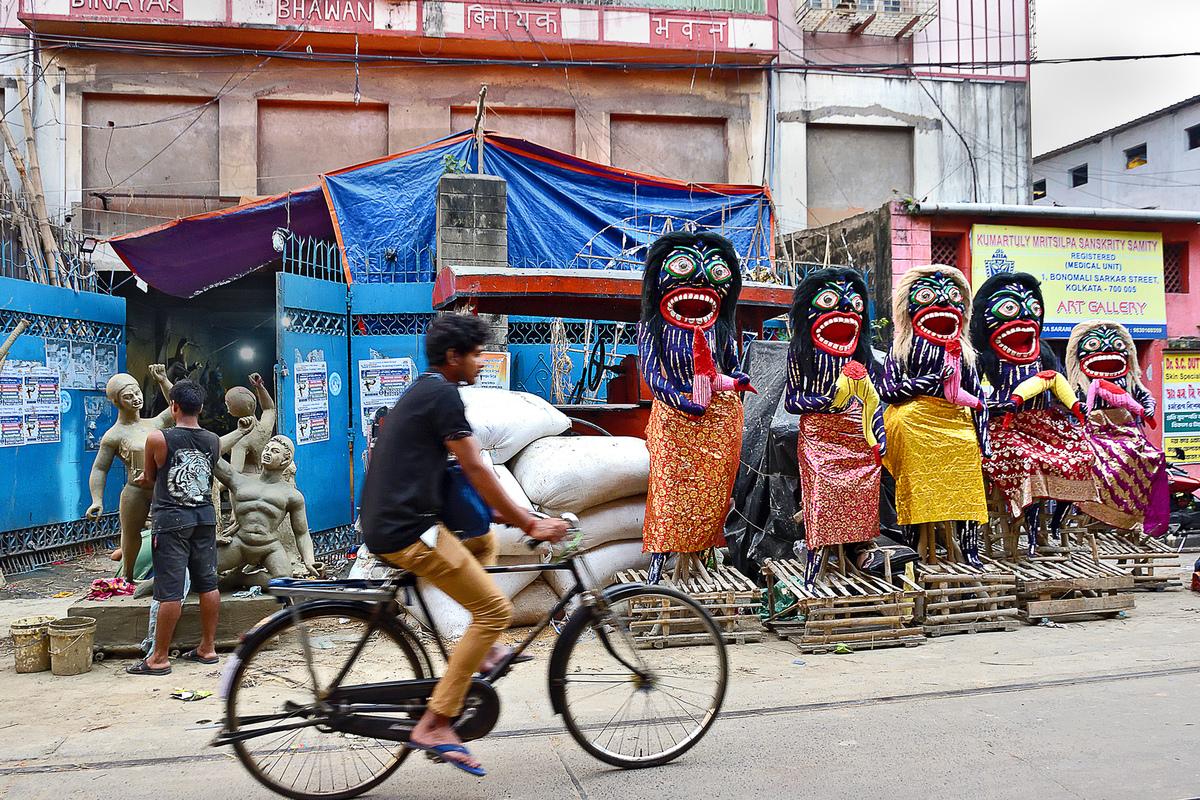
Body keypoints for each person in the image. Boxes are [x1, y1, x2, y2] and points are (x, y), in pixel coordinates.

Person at [359, 314, 567, 777]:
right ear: (453, 357)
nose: (480, 362)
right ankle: (435, 722)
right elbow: (474, 466)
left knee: (482, 540)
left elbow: (450, 472)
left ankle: (482, 649)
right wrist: (530, 522)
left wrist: (499, 514)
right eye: (474, 354)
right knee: (495, 610)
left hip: (398, 521)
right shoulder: (443, 396)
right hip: (407, 532)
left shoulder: (423, 390)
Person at [125, 379, 222, 675]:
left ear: (173, 406)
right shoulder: (214, 440)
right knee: (209, 584)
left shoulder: (158, 438)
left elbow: (150, 477)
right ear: (201, 408)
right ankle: (208, 647)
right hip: (204, 518)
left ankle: (159, 658)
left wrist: (143, 479)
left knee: (169, 590)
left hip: (171, 522)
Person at [214, 435, 319, 581]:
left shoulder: (292, 495)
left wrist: (309, 561)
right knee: (203, 571)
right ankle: (229, 581)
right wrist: (240, 432)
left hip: (269, 547)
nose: (267, 453)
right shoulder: (240, 481)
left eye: (275, 451)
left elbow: (301, 533)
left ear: (285, 460)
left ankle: (238, 579)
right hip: (240, 542)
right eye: (267, 449)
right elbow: (212, 456)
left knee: (283, 579)